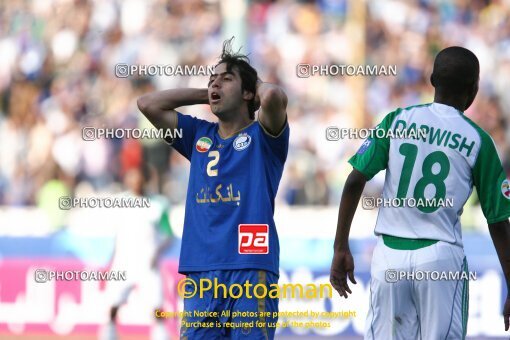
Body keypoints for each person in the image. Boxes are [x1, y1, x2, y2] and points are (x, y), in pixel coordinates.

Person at [330, 46, 510, 339]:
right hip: (441, 257)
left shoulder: (397, 120)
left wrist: (340, 247)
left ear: (432, 80)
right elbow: (499, 221)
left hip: (389, 254)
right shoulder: (479, 140)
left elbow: (353, 182)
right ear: (474, 88)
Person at [137, 38, 289, 339]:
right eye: (212, 79)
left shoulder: (265, 136)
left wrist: (252, 88)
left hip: (251, 266)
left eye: (226, 78)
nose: (215, 83)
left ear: (248, 92)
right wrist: (209, 93)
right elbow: (148, 104)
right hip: (202, 270)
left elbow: (271, 95)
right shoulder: (198, 134)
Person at [99, 166, 173, 340]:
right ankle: (109, 335)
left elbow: (169, 234)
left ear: (145, 181)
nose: (136, 183)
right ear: (127, 181)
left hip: (147, 263)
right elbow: (113, 234)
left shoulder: (157, 204)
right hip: (123, 262)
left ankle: (160, 336)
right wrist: (108, 261)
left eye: (139, 180)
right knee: (113, 305)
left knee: (157, 308)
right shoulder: (119, 202)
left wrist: (157, 252)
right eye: (132, 179)